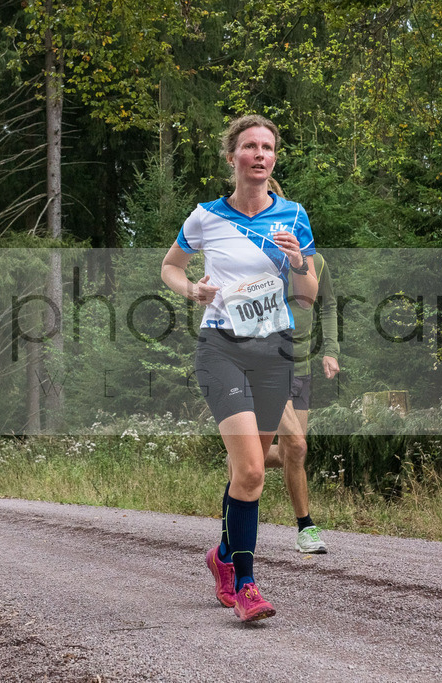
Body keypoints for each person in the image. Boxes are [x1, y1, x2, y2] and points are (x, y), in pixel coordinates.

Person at [161, 114, 318, 622]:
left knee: (252, 467)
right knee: (251, 470)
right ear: (232, 157)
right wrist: (193, 291)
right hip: (221, 348)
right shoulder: (206, 216)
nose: (259, 155)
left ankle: (223, 556)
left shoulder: (293, 216)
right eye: (249, 146)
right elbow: (170, 267)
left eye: (267, 148)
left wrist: (298, 264)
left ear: (274, 159)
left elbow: (309, 294)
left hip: (274, 351)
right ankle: (246, 585)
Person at [266, 249, 340, 553]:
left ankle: (240, 461)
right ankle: (306, 527)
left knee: (288, 454)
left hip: (301, 368)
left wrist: (331, 349)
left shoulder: (317, 262)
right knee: (298, 446)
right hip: (268, 365)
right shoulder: (261, 260)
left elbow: (329, 305)